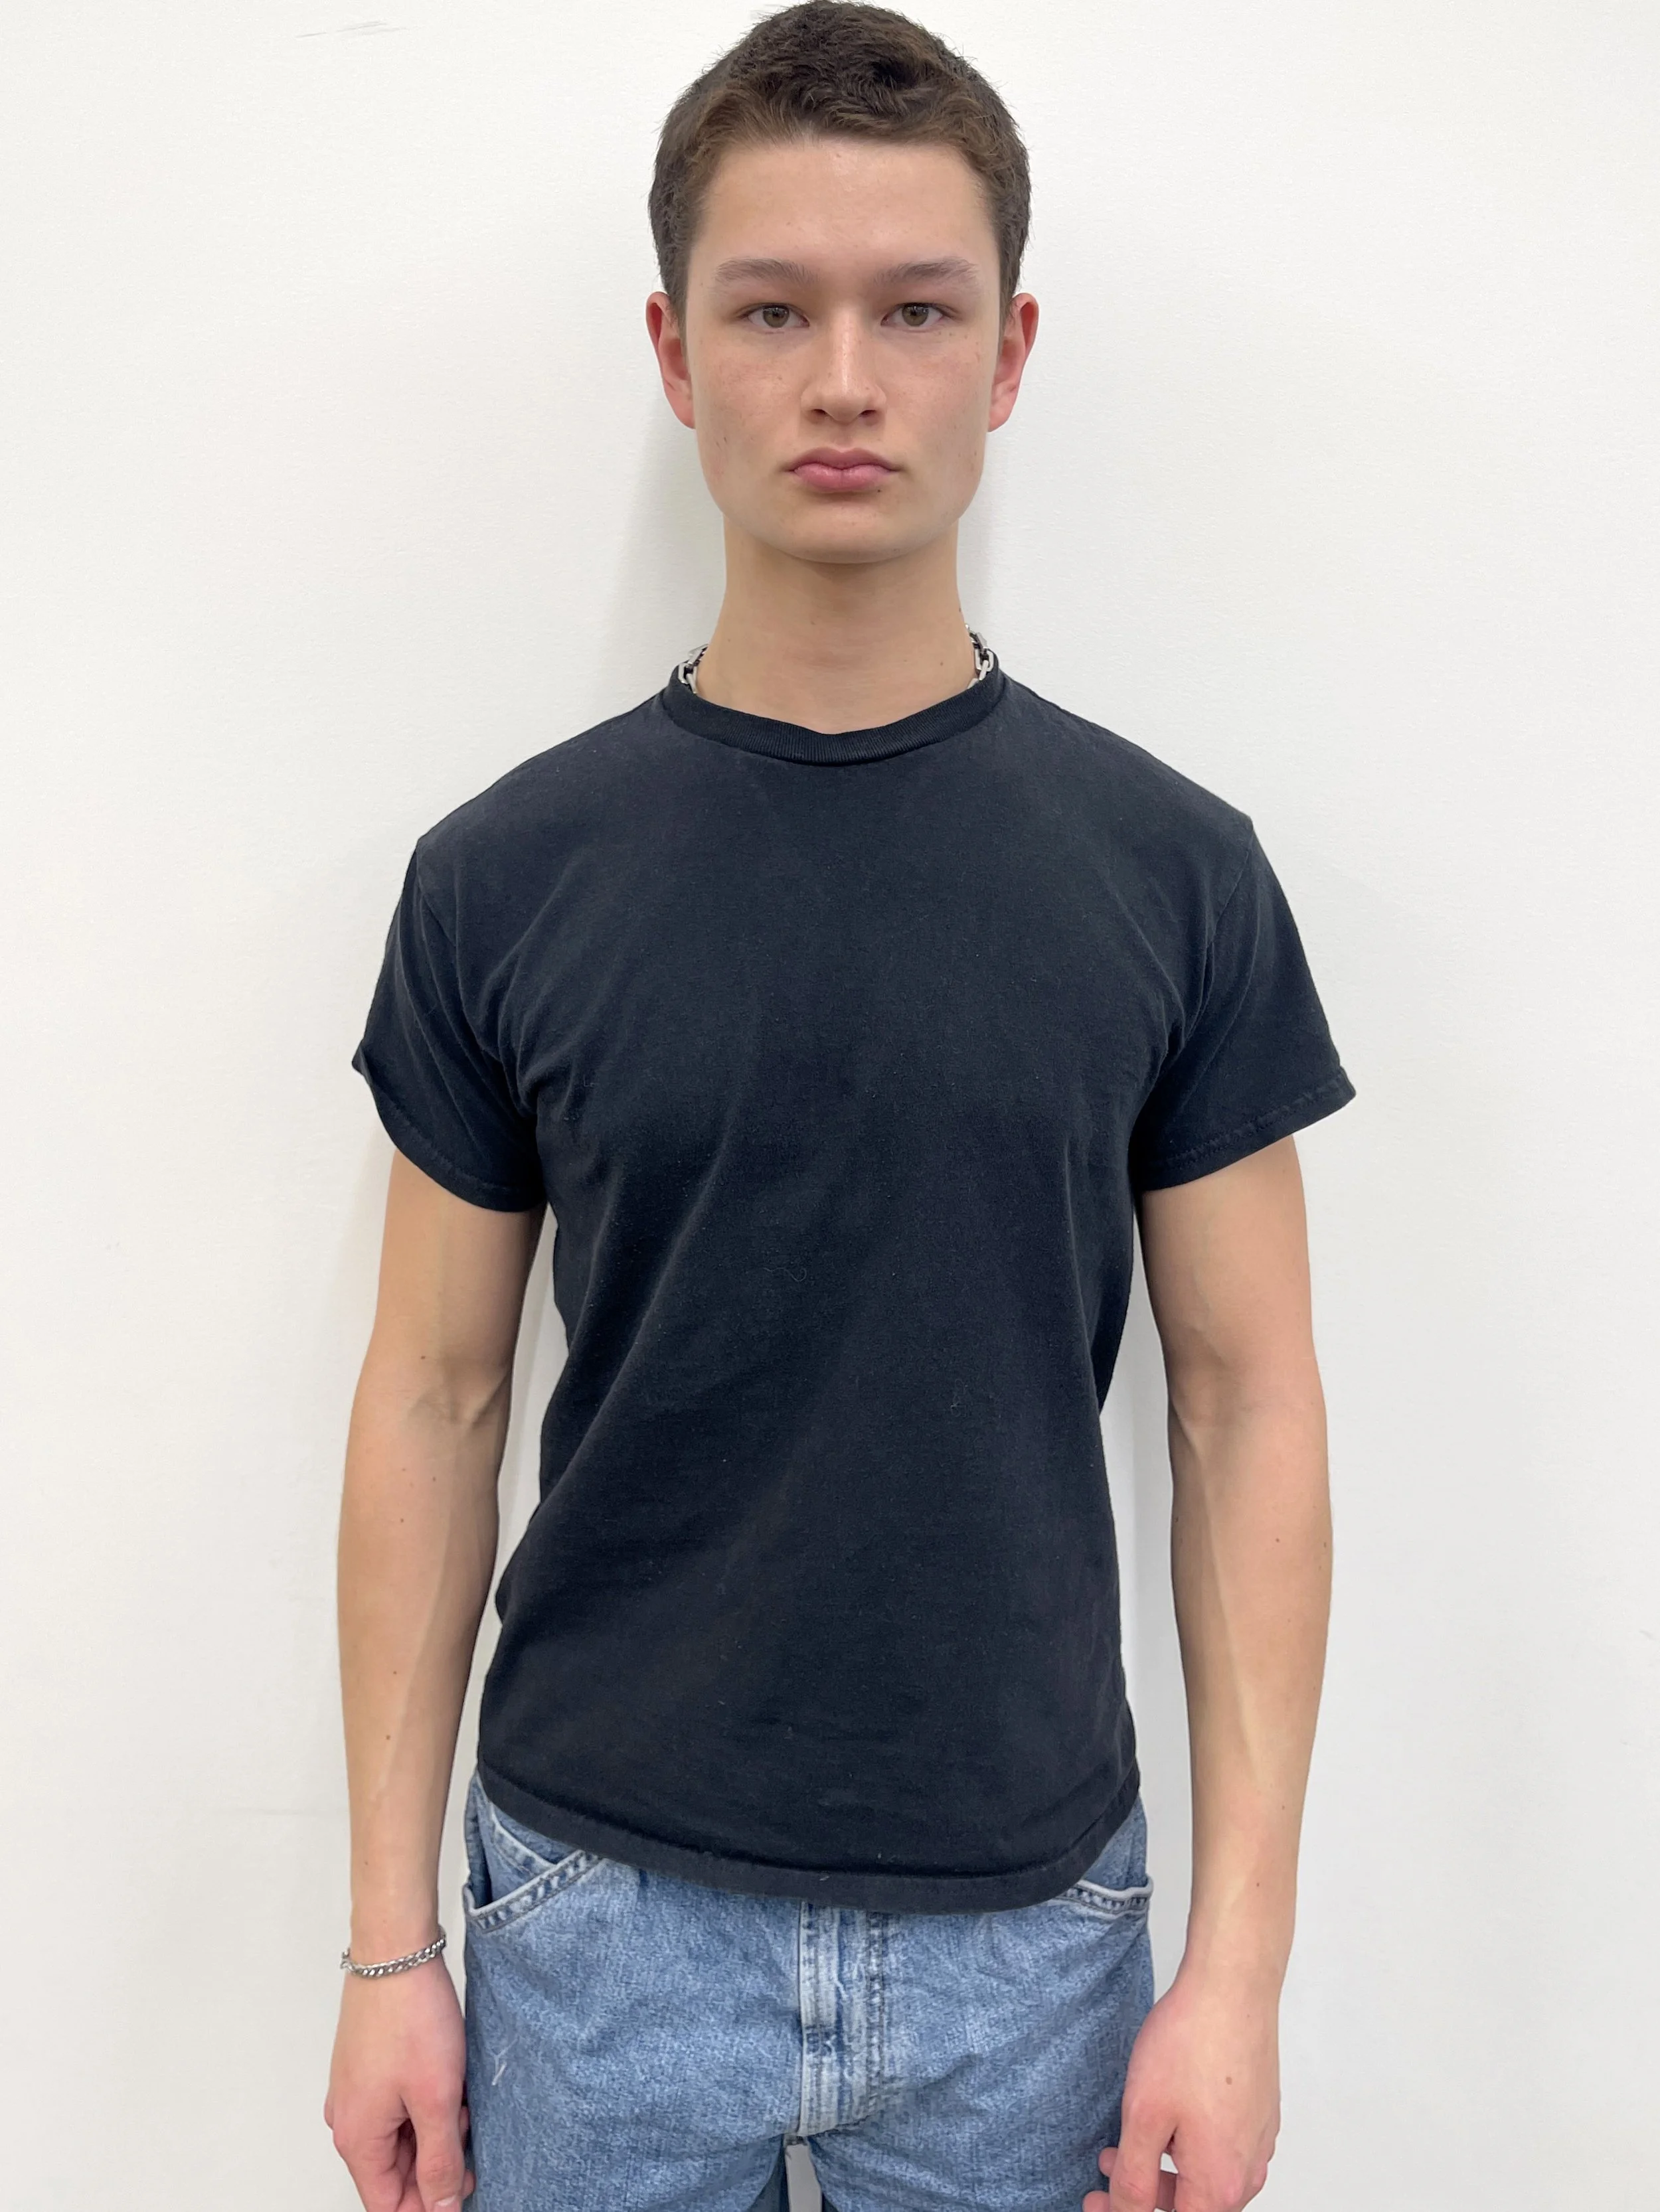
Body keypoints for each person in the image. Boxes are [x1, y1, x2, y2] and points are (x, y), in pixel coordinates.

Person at [323, 6, 1354, 2209]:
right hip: (590, 1913)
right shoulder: (501, 876)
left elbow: (1248, 1401)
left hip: (1034, 1942)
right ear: (676, 352)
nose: (844, 379)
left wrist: (1238, 1971)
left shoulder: (1172, 874)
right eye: (772, 310)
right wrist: (388, 1943)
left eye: (917, 310)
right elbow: (429, 1394)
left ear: (1009, 354)